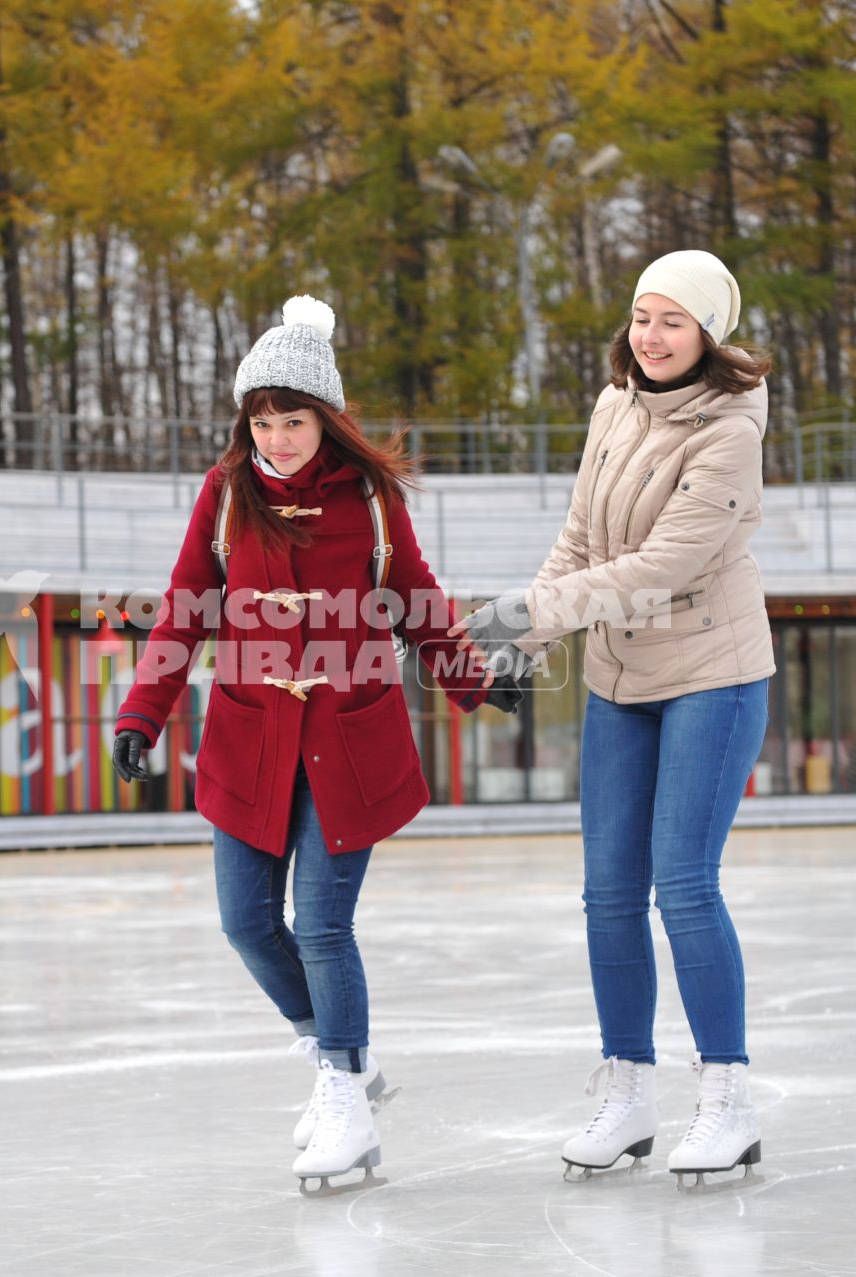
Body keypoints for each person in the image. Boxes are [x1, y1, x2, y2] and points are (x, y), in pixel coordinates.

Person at [110, 296, 520, 1193]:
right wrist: (141, 714)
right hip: (251, 741)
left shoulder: (370, 501)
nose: (278, 436)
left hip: (349, 738)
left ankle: (343, 1089)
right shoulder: (225, 496)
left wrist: (475, 680)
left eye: (293, 419)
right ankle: (345, 1057)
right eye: (262, 419)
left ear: (324, 419)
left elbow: (417, 598)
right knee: (245, 922)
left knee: (323, 925)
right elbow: (183, 610)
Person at [454, 250, 776, 1187]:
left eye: (673, 320)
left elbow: (660, 568)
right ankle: (627, 1085)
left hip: (711, 672)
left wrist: (526, 611)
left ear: (708, 334)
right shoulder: (613, 405)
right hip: (617, 678)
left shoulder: (730, 429)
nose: (651, 335)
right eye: (642, 316)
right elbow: (583, 542)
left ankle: (726, 1094)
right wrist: (530, 637)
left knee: (682, 884)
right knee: (606, 893)